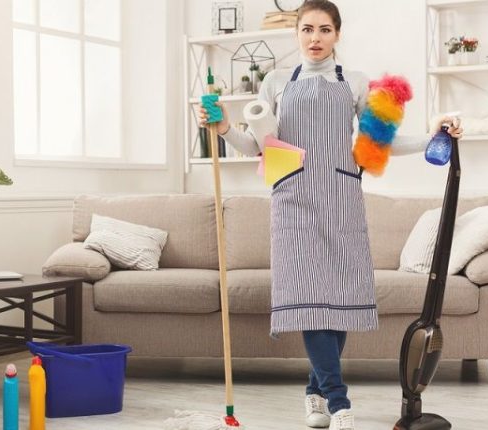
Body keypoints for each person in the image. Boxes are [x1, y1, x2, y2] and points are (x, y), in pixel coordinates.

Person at [198, 1, 464, 429]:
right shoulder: (276, 82)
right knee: (310, 301)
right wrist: (225, 127)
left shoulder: (354, 82)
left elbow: (380, 143)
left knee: (337, 304)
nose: (315, 38)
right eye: (307, 29)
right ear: (296, 34)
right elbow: (257, 147)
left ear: (337, 34)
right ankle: (339, 403)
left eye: (324, 29)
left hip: (341, 199)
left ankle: (315, 393)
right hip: (292, 202)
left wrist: (431, 135)